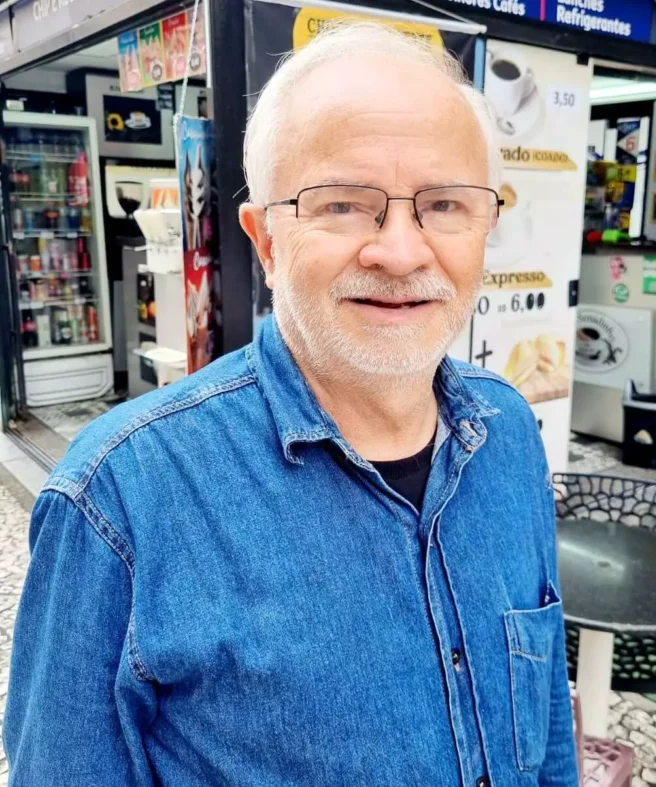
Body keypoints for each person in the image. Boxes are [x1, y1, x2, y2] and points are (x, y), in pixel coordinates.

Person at [4, 22, 577, 786]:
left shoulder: (508, 434)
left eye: (443, 204)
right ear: (267, 241)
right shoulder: (120, 499)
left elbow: (547, 726)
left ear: (487, 225)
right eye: (342, 205)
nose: (400, 252)